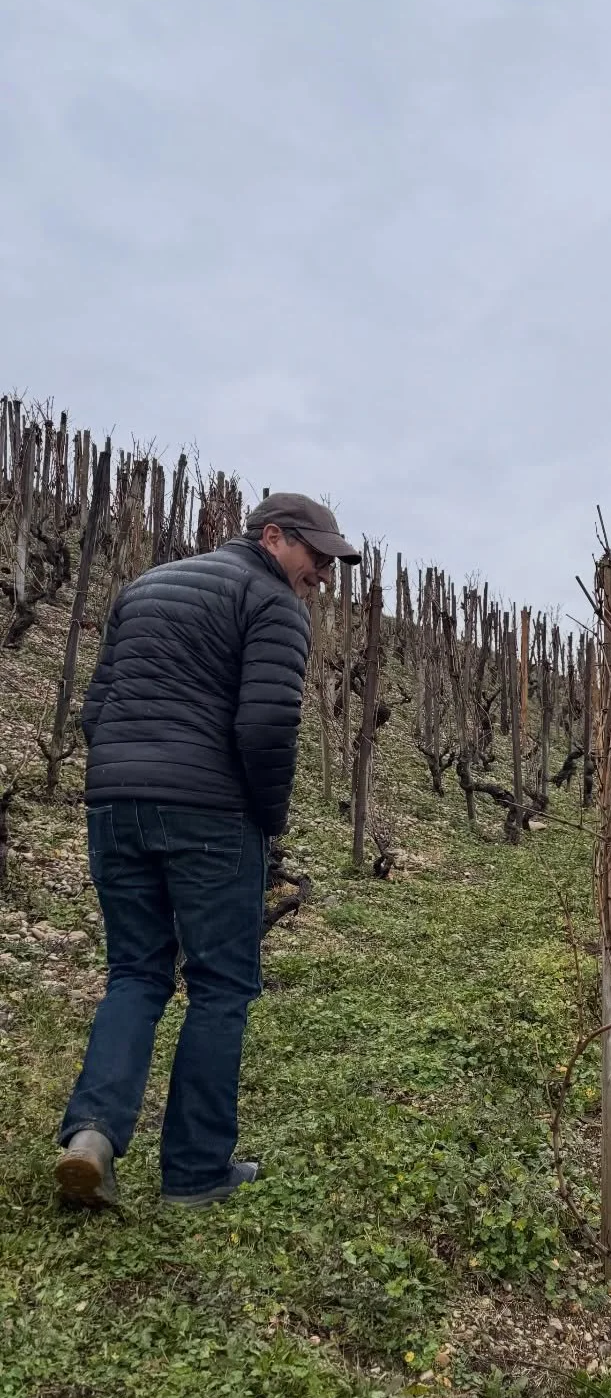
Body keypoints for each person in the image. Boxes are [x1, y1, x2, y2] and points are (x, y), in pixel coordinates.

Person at [55, 492, 360, 1211]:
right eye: (315, 556)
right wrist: (266, 818)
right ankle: (195, 1173)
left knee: (135, 973)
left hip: (114, 806)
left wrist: (128, 778)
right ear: (273, 537)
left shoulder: (145, 587)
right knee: (221, 986)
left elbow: (97, 709)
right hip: (211, 816)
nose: (322, 573)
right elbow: (265, 727)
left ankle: (91, 1138)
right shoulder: (273, 603)